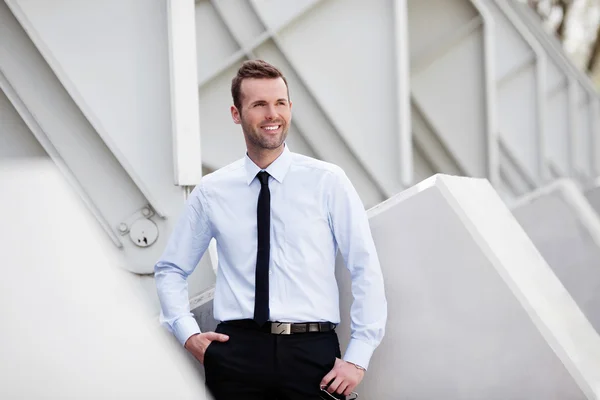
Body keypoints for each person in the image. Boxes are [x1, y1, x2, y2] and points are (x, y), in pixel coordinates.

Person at [154, 59, 387, 399]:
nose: (272, 114)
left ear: (290, 108)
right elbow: (171, 269)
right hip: (236, 355)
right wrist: (187, 333)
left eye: (280, 103)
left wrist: (359, 355)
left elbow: (364, 267)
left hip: (313, 355)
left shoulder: (327, 181)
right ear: (237, 113)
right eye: (259, 104)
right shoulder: (212, 191)